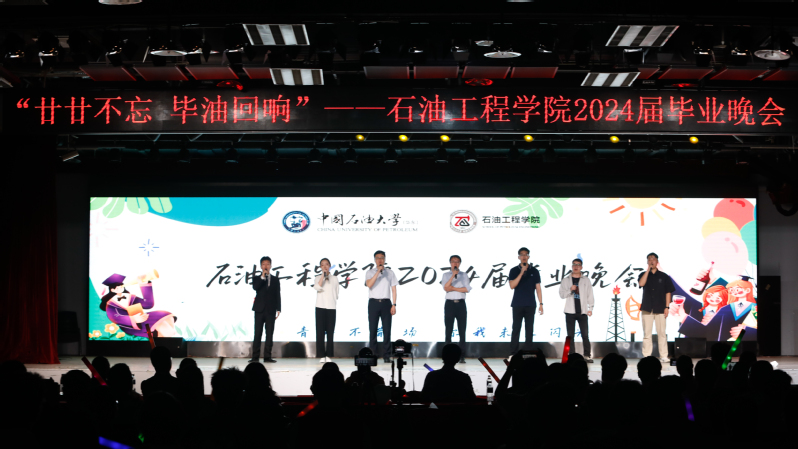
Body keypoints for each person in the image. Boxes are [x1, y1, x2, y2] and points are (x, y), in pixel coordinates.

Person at [638, 252, 674, 363]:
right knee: (647, 334)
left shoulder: (664, 276)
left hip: (660, 308)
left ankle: (663, 355)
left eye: (653, 259)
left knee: (661, 333)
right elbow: (641, 284)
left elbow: (668, 292)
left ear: (657, 261)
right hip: (647, 308)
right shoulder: (643, 274)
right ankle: (646, 355)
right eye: (649, 259)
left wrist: (667, 307)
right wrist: (647, 271)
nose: (651, 261)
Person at [508, 247, 543, 357]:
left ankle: (528, 352)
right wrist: (521, 272)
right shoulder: (514, 270)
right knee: (516, 329)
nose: (524, 256)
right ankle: (513, 353)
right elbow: (512, 286)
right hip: (517, 304)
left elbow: (538, 288)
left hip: (530, 304)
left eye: (526, 254)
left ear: (528, 257)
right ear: (519, 257)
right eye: (522, 254)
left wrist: (541, 303)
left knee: (529, 329)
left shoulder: (534, 271)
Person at [558, 258, 594, 362]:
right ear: (572, 266)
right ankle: (571, 356)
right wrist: (570, 289)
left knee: (585, 335)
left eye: (578, 264)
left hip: (582, 311)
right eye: (574, 264)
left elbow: (590, 294)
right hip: (570, 312)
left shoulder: (586, 280)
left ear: (581, 267)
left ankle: (587, 355)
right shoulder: (566, 280)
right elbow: (561, 294)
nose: (576, 266)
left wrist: (590, 308)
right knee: (570, 336)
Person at [364, 250, 398, 363]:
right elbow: (369, 284)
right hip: (373, 303)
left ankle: (386, 355)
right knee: (373, 329)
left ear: (385, 259)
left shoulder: (390, 273)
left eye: (382, 258)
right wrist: (378, 272)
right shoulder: (370, 272)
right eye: (378, 258)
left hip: (386, 303)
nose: (380, 260)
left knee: (387, 330)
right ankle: (373, 354)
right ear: (375, 260)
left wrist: (394, 304)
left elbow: (394, 289)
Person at [440, 255, 472, 362]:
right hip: (449, 304)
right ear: (450, 263)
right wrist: (453, 276)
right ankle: (446, 356)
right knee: (448, 330)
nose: (455, 263)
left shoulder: (464, 275)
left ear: (460, 263)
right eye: (453, 261)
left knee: (462, 330)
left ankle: (462, 355)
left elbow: (467, 289)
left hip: (461, 304)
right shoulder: (446, 275)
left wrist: (452, 288)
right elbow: (446, 288)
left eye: (457, 261)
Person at [250, 256, 281, 363]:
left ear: (271, 266)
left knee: (269, 334)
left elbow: (277, 294)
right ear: (260, 266)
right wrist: (263, 277)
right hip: (259, 310)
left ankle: (267, 357)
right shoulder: (256, 278)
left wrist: (279, 308)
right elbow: (256, 287)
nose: (266, 266)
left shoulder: (275, 279)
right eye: (263, 264)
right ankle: (255, 357)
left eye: (268, 264)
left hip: (271, 310)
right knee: (257, 333)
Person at [312, 257, 340, 363]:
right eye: (322, 265)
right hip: (320, 306)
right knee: (320, 332)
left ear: (330, 266)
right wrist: (323, 276)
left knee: (330, 332)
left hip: (331, 307)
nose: (325, 266)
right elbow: (317, 287)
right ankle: (321, 355)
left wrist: (333, 300)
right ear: (320, 267)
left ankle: (329, 355)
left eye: (326, 264)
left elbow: (337, 292)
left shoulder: (335, 278)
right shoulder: (317, 278)